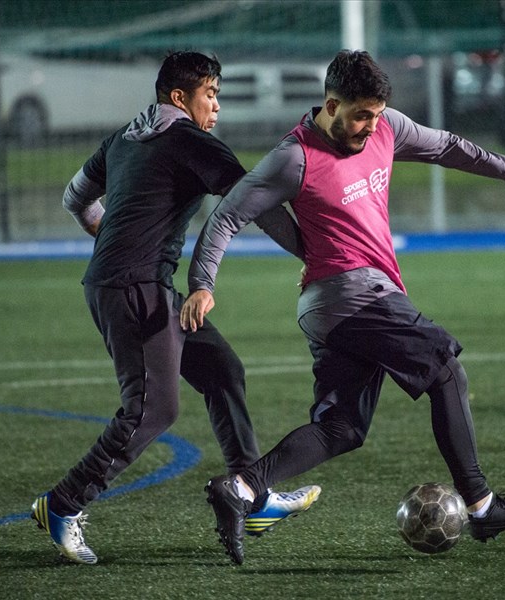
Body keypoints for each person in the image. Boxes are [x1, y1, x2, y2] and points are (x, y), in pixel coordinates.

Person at [181, 50, 505, 565]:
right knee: (445, 370)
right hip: (354, 298)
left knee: (342, 428)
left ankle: (242, 489)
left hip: (338, 305)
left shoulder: (386, 128)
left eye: (377, 114)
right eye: (361, 115)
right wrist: (203, 283)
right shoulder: (294, 157)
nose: (370, 126)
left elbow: (450, 147)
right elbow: (226, 217)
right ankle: (481, 506)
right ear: (331, 104)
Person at [30, 51, 320, 565]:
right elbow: (254, 201)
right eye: (211, 94)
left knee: (221, 369)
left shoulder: (123, 137)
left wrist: (98, 223)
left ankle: (249, 493)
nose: (217, 106)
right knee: (153, 409)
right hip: (134, 288)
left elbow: (74, 197)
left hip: (132, 285)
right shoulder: (190, 141)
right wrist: (315, 254)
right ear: (180, 98)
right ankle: (63, 503)